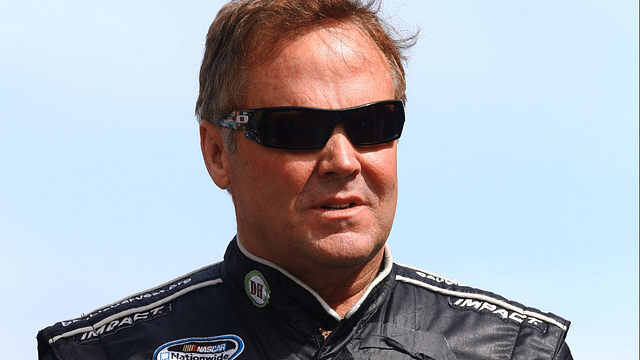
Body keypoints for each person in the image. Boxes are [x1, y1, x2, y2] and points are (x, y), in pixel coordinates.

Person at [37, 0, 573, 359]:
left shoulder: (516, 350)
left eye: (373, 123)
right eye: (295, 128)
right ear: (216, 153)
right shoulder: (100, 353)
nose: (343, 160)